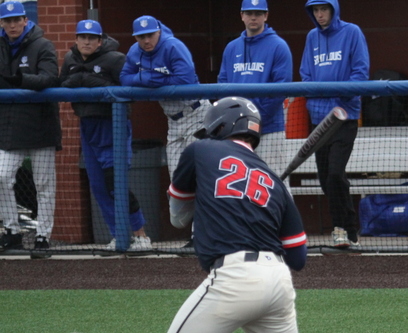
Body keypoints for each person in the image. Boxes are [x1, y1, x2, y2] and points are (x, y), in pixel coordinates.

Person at [108, 97, 392, 333]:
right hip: (277, 282)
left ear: (220, 127)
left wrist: (214, 209)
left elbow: (177, 216)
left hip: (233, 277)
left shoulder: (201, 149)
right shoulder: (274, 183)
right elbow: (299, 257)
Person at [60, 19, 152, 252]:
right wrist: (78, 80)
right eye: (83, 37)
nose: (87, 41)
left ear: (100, 41)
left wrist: (89, 81)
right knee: (99, 186)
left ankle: (141, 235)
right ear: (76, 39)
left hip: (113, 125)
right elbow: (62, 85)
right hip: (87, 126)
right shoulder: (70, 59)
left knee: (116, 184)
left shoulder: (116, 58)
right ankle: (118, 236)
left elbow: (129, 92)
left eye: (92, 38)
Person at [300, 1, 369, 248]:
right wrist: (316, 101)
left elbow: (360, 72)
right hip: (319, 119)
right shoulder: (311, 37)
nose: (319, 15)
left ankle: (341, 227)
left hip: (345, 117)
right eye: (315, 10)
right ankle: (350, 229)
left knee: (335, 174)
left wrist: (339, 98)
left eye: (324, 9)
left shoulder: (352, 32)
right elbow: (306, 74)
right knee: (325, 178)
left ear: (334, 9)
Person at [0, 0, 60, 259]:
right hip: (10, 125)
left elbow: (49, 78)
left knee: (44, 184)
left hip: (41, 125)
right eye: (7, 20)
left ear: (25, 20)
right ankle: (12, 231)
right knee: (2, 176)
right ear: (2, 23)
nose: (13, 24)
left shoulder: (42, 44)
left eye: (17, 20)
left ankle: (43, 236)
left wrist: (21, 81)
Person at [120, 16, 211, 183]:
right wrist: (146, 78)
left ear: (159, 32)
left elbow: (185, 80)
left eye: (151, 35)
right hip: (173, 120)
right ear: (135, 37)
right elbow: (124, 77)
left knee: (200, 175)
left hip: (197, 113)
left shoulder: (173, 46)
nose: (147, 40)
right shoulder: (134, 51)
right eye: (141, 37)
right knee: (177, 179)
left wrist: (151, 79)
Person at [218, 0, 291, 176]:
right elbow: (222, 84)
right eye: (249, 13)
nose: (253, 17)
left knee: (274, 183)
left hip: (269, 129)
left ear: (265, 16)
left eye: (258, 13)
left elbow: (281, 89)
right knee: (239, 184)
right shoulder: (232, 48)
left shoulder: (279, 46)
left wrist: (255, 120)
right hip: (236, 132)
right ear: (242, 15)